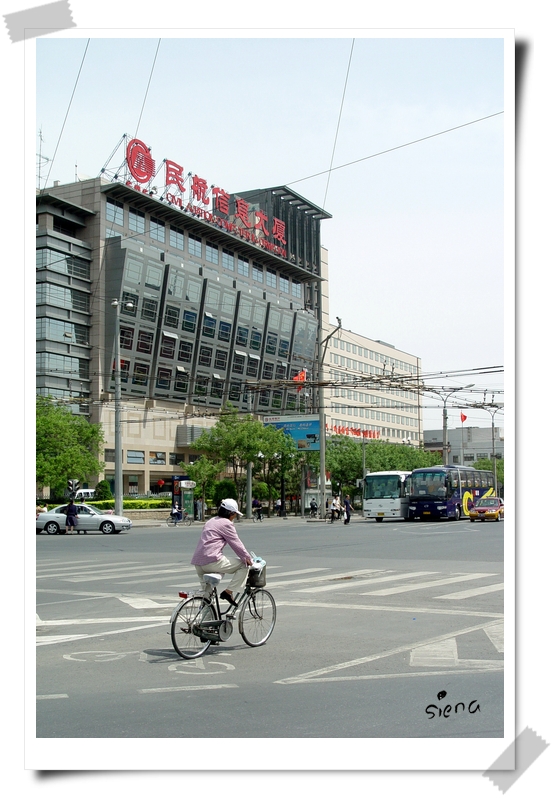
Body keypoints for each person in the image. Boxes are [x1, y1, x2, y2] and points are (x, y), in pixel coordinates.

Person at [191, 499, 253, 607]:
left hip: (198, 563)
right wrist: (247, 558)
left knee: (207, 598)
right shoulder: (226, 523)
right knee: (244, 565)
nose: (235, 517)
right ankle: (228, 592)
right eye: (235, 514)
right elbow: (236, 543)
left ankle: (205, 617)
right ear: (231, 513)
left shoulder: (211, 521)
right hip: (212, 561)